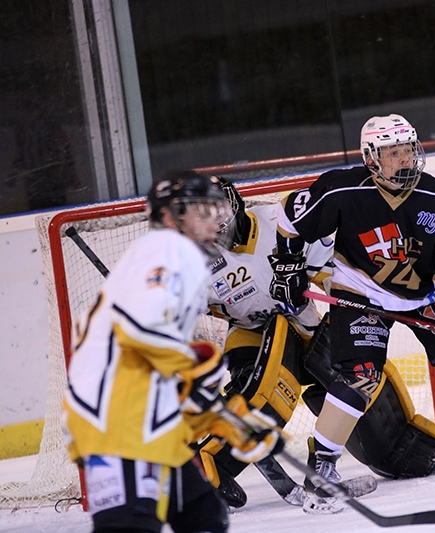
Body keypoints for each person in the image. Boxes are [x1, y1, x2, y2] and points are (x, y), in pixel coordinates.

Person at [269, 114, 435, 514]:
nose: (405, 159)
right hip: (361, 291)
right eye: (393, 152)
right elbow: (290, 218)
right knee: (360, 377)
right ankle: (323, 468)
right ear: (371, 158)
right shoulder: (342, 189)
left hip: (423, 294)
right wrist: (288, 265)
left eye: (408, 150)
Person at [197, 178, 435, 509]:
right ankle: (208, 469)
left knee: (356, 380)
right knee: (262, 396)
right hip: (250, 334)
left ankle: (360, 458)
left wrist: (352, 297)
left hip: (305, 326)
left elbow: (334, 269)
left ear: (234, 203)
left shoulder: (278, 222)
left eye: (216, 209)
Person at [62, 170, 279, 533]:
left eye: (214, 209)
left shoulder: (173, 259)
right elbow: (138, 328)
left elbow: (156, 366)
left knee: (204, 516)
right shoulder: (167, 253)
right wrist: (196, 369)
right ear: (168, 216)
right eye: (199, 211)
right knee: (128, 527)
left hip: (148, 421)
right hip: (115, 423)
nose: (213, 221)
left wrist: (217, 417)